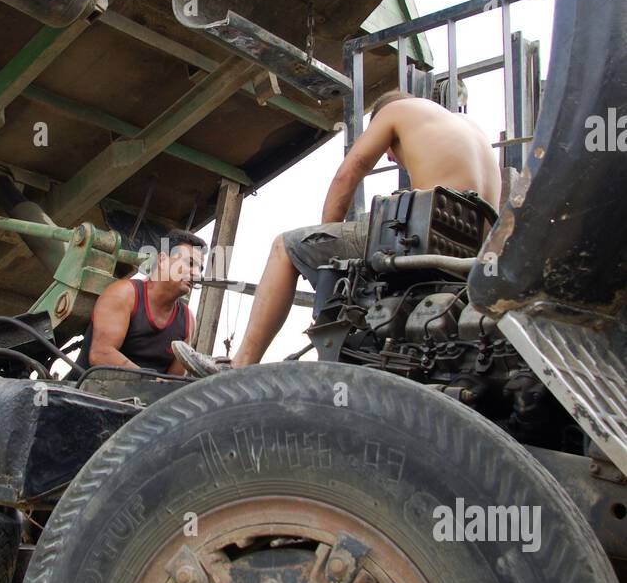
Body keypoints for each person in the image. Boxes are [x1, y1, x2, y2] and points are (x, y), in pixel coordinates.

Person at [172, 91, 501, 377]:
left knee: (284, 248)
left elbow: (349, 173)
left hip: (424, 240)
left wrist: (326, 236)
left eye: (390, 151)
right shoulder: (473, 132)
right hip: (468, 257)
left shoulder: (396, 110)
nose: (390, 156)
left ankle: (242, 364)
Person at [76, 228, 207, 375]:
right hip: (86, 393)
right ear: (162, 260)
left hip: (148, 397)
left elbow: (174, 382)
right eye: (190, 263)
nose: (196, 273)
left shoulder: (188, 321)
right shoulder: (124, 294)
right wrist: (153, 382)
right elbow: (101, 354)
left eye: (199, 269)